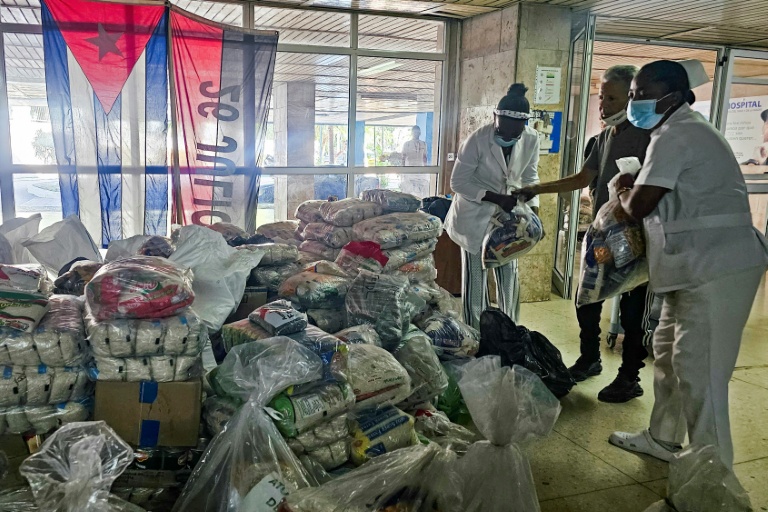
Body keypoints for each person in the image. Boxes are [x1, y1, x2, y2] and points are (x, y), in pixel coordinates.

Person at [607, 60, 768, 468]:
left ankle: (712, 475)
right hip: (690, 266)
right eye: (631, 95)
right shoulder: (672, 132)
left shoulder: (681, 135)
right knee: (667, 354)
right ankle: (663, 439)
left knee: (701, 372)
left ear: (672, 96)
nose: (633, 102)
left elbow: (638, 206)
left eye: (639, 94)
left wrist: (622, 192)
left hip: (717, 269)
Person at [518, 65, 655, 403]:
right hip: (603, 238)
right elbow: (582, 179)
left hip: (639, 241)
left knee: (633, 309)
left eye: (611, 98)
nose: (603, 105)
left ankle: (629, 375)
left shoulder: (650, 138)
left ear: (632, 98)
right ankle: (589, 357)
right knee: (587, 298)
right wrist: (536, 188)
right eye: (600, 97)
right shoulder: (602, 139)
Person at [444, 83, 540, 328]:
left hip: (509, 218)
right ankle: (476, 332)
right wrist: (495, 198)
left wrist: (533, 208)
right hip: (474, 216)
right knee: (476, 278)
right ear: (495, 117)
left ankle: (509, 330)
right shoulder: (476, 140)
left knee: (508, 276)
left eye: (514, 134)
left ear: (524, 125)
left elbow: (530, 176)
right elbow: (458, 182)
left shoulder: (531, 139)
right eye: (503, 131)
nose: (507, 137)